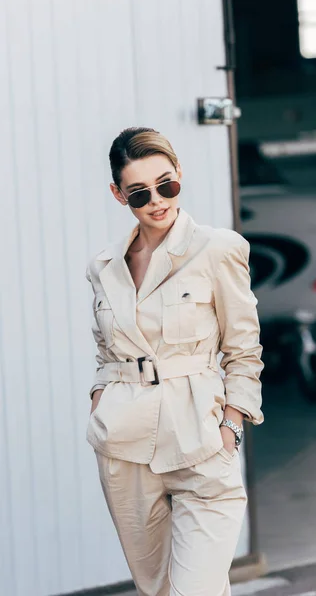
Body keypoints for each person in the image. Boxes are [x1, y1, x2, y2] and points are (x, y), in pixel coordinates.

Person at [86, 127, 264, 596]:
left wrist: (231, 427)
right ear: (118, 194)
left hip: (202, 443)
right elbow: (107, 352)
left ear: (180, 173)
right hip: (125, 448)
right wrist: (100, 402)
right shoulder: (105, 266)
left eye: (167, 184)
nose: (157, 201)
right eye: (139, 193)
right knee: (157, 591)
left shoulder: (218, 249)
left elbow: (244, 351)